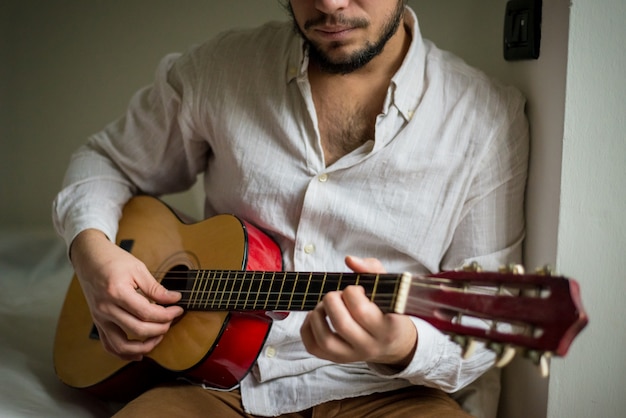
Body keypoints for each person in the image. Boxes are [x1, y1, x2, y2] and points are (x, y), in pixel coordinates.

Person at [52, 1, 528, 417]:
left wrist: (399, 343)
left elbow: (490, 321)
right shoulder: (217, 70)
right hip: (218, 387)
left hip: (391, 394)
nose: (329, 4)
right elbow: (105, 161)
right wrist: (93, 255)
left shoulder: (485, 120)